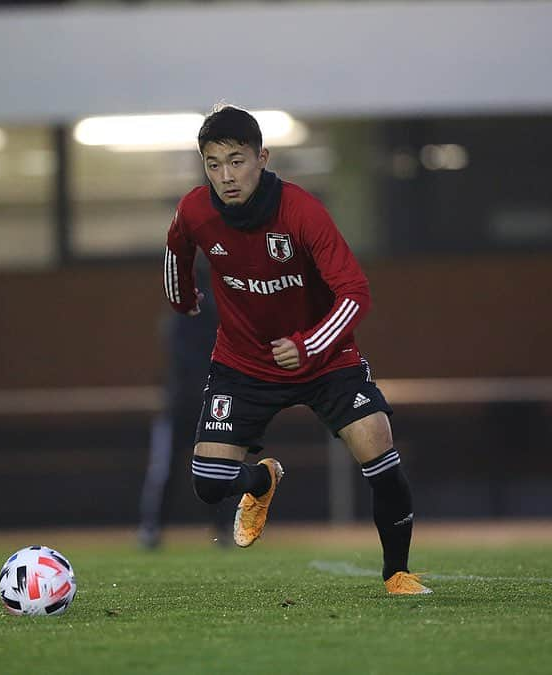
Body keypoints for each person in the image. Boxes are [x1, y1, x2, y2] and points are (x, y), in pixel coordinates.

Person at [162, 105, 431, 595]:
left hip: (324, 360)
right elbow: (176, 248)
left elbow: (356, 292)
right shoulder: (195, 210)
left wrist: (309, 346)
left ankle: (397, 573)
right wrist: (183, 298)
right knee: (207, 481)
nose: (226, 176)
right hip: (242, 364)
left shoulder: (302, 211)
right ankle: (260, 483)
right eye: (214, 163)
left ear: (262, 157)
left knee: (377, 442)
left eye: (237, 160)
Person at [138, 255, 235, 549]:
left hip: (188, 403)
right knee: (209, 468)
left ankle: (154, 529)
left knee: (186, 469)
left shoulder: (192, 315)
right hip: (197, 404)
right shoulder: (207, 314)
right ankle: (220, 531)